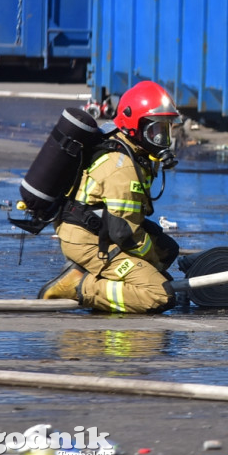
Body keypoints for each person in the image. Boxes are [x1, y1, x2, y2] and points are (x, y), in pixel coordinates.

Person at [37, 80, 182, 313]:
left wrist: (154, 261)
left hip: (99, 227)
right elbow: (125, 234)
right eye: (155, 131)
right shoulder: (122, 167)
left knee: (167, 250)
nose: (162, 140)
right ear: (135, 127)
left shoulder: (131, 148)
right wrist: (151, 261)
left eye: (165, 131)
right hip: (88, 241)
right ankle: (78, 286)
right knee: (161, 295)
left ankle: (106, 278)